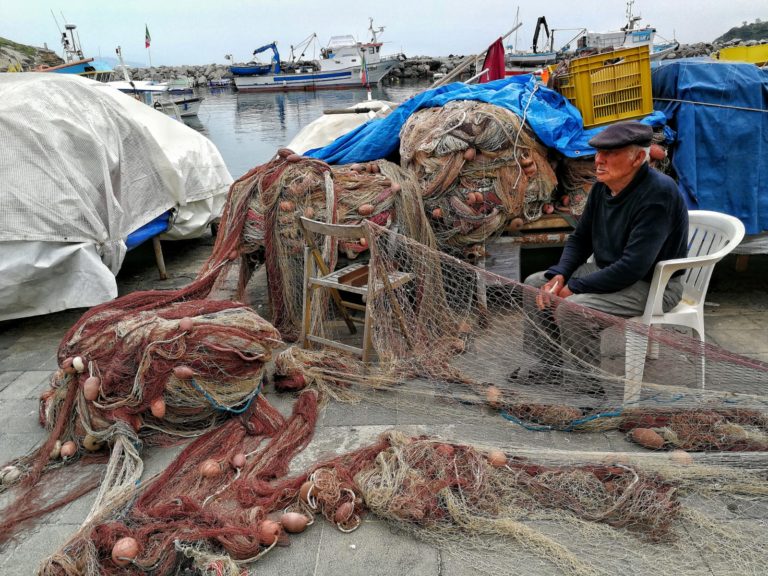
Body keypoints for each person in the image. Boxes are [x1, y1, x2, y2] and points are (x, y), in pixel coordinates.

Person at [519, 121, 689, 394]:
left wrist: (573, 288)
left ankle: (587, 389)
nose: (598, 160)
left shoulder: (659, 193)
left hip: (653, 284)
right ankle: (550, 367)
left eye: (609, 154)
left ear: (637, 158)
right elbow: (581, 239)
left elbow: (633, 267)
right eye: (598, 153)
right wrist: (560, 274)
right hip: (608, 270)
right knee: (534, 285)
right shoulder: (602, 187)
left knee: (572, 308)